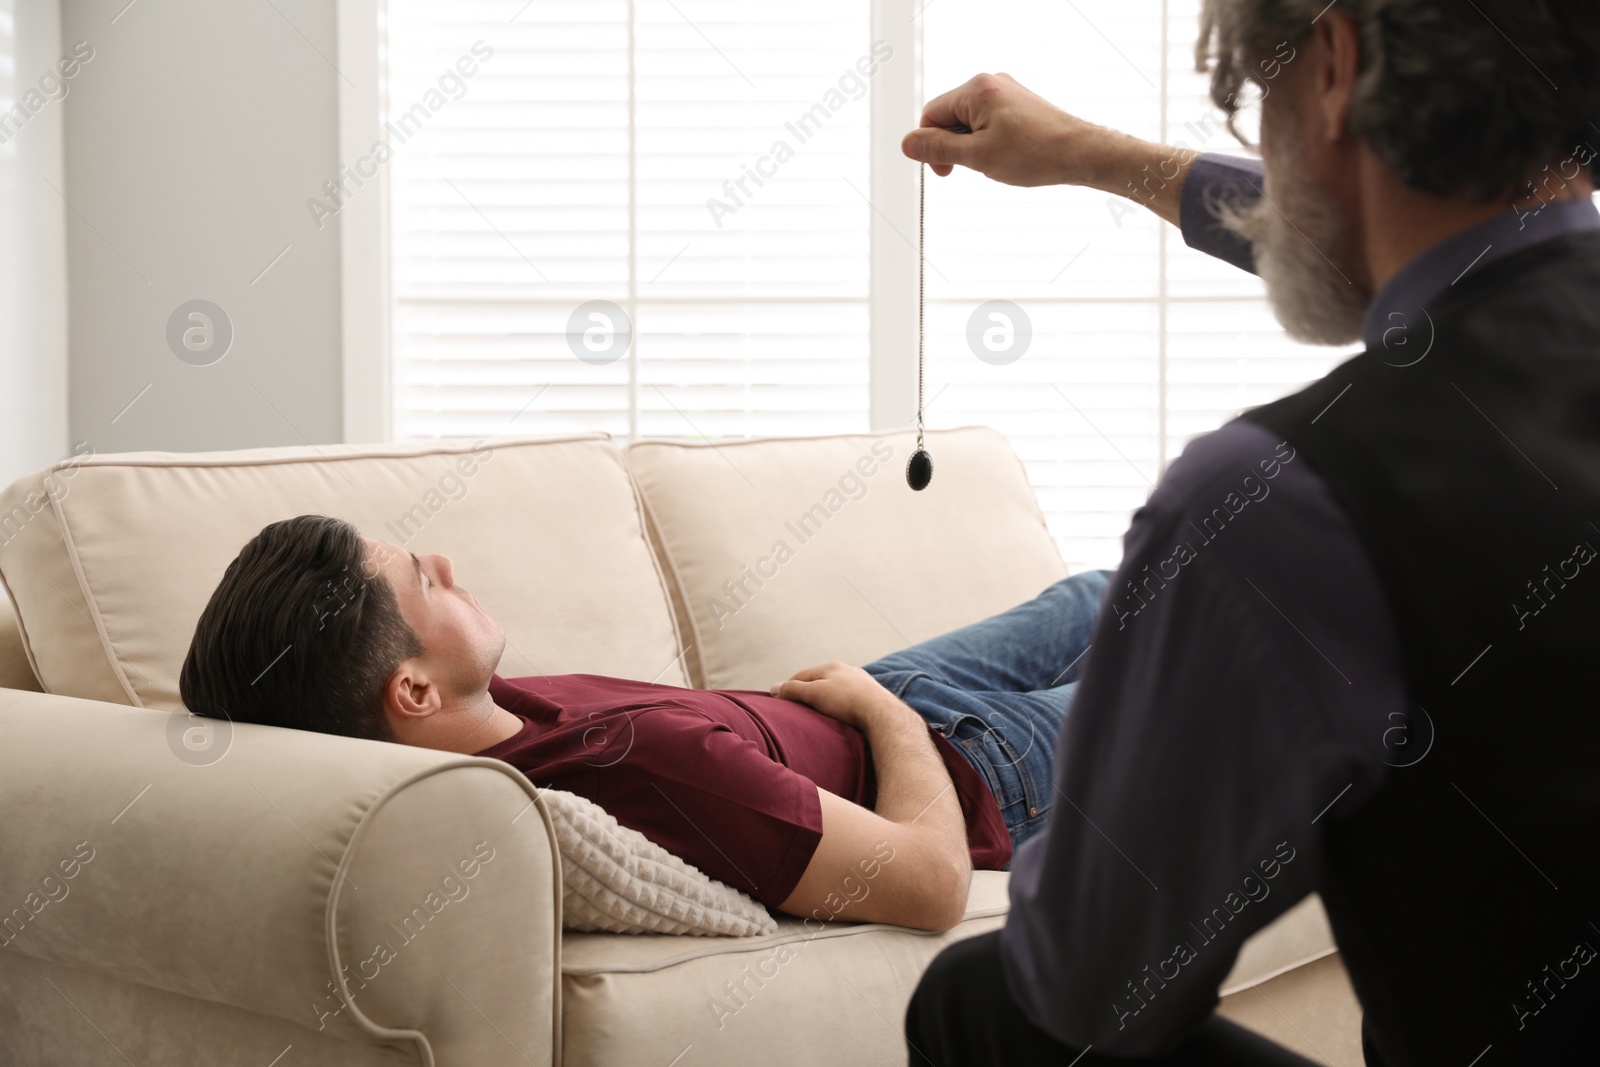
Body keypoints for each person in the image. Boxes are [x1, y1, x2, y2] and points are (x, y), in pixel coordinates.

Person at [900, 2, 1599, 1065]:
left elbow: (1087, 988)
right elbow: (1396, 244)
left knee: (985, 996)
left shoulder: (1284, 500)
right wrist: (1088, 155)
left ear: (1331, 66)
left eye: (1250, 105)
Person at [179, 513, 1110, 933]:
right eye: (425, 580)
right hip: (969, 767)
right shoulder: (641, 774)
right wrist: (884, 712)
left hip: (879, 697)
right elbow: (936, 884)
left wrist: (874, 695)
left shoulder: (497, 718)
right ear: (412, 691)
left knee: (1105, 590)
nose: (450, 563)